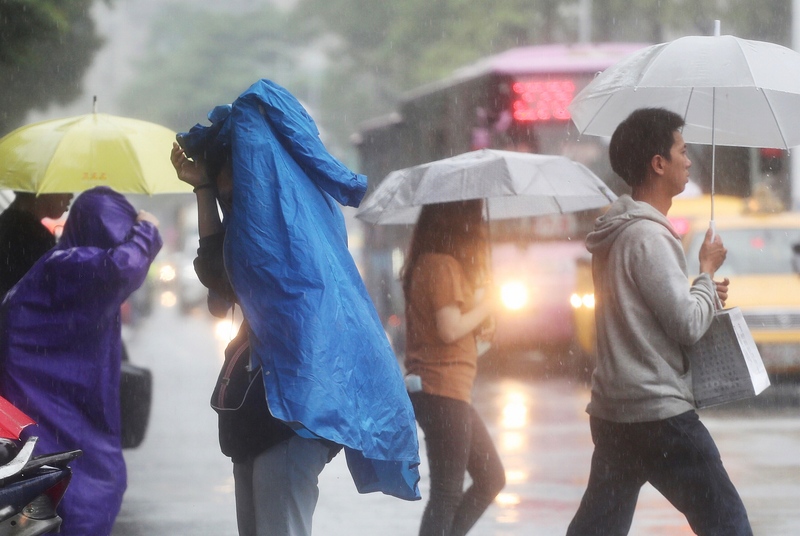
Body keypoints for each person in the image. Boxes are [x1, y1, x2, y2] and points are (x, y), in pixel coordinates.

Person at [171, 79, 420, 536]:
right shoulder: (277, 227)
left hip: (293, 413)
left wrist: (206, 189)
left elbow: (219, 275)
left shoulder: (285, 237)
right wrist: (205, 188)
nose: (229, 201)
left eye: (233, 193)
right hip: (262, 411)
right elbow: (220, 285)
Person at [566, 107, 752, 536]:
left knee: (598, 529)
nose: (689, 161)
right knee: (727, 524)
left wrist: (702, 290)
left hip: (615, 413)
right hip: (658, 416)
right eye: (682, 152)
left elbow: (646, 311)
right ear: (658, 163)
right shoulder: (649, 235)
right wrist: (706, 272)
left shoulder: (616, 232)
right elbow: (686, 324)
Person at [0, 186, 162, 536]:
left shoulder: (66, 266)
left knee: (73, 491)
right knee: (78, 494)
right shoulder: (72, 266)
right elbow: (124, 266)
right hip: (47, 410)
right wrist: (147, 228)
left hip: (50, 408)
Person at [401, 200, 506, 536]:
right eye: (475, 218)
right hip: (442, 389)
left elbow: (447, 332)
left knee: (491, 477)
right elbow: (448, 329)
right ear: (457, 221)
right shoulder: (442, 265)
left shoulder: (431, 263)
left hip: (446, 389)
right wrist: (487, 305)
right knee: (446, 493)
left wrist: (480, 325)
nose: (479, 226)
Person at [0, 190, 72, 297]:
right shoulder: (35, 237)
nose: (71, 195)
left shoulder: (6, 224)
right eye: (64, 188)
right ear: (42, 191)